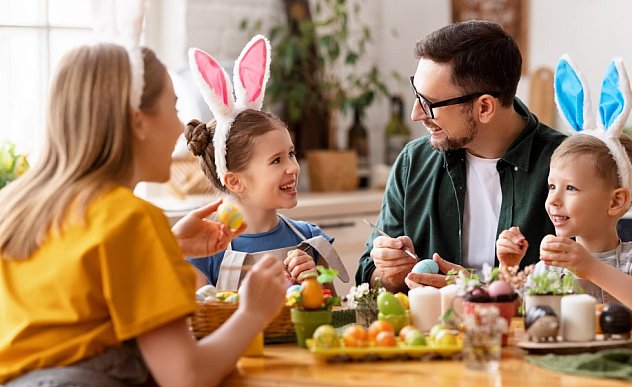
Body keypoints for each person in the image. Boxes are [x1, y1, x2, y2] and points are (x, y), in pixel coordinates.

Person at [0, 42, 286, 386]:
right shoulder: (129, 218)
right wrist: (253, 313)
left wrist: (165, 248)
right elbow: (186, 376)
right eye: (173, 108)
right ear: (139, 121)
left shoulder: (15, 207)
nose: (180, 128)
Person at [355, 20, 566, 293]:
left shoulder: (567, 165)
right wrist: (389, 275)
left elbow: (591, 285)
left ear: (485, 107)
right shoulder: (413, 162)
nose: (416, 114)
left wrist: (473, 289)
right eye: (417, 94)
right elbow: (367, 277)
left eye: (430, 103)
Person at [496, 56, 632, 324]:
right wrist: (508, 267)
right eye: (552, 186)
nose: (553, 199)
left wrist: (590, 267)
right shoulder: (551, 267)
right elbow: (515, 315)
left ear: (615, 201)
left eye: (571, 188)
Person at [184, 35, 338, 293]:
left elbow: (335, 312)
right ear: (235, 181)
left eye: (291, 154)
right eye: (276, 160)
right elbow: (200, 317)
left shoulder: (310, 239)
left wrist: (314, 283)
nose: (293, 167)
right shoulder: (204, 252)